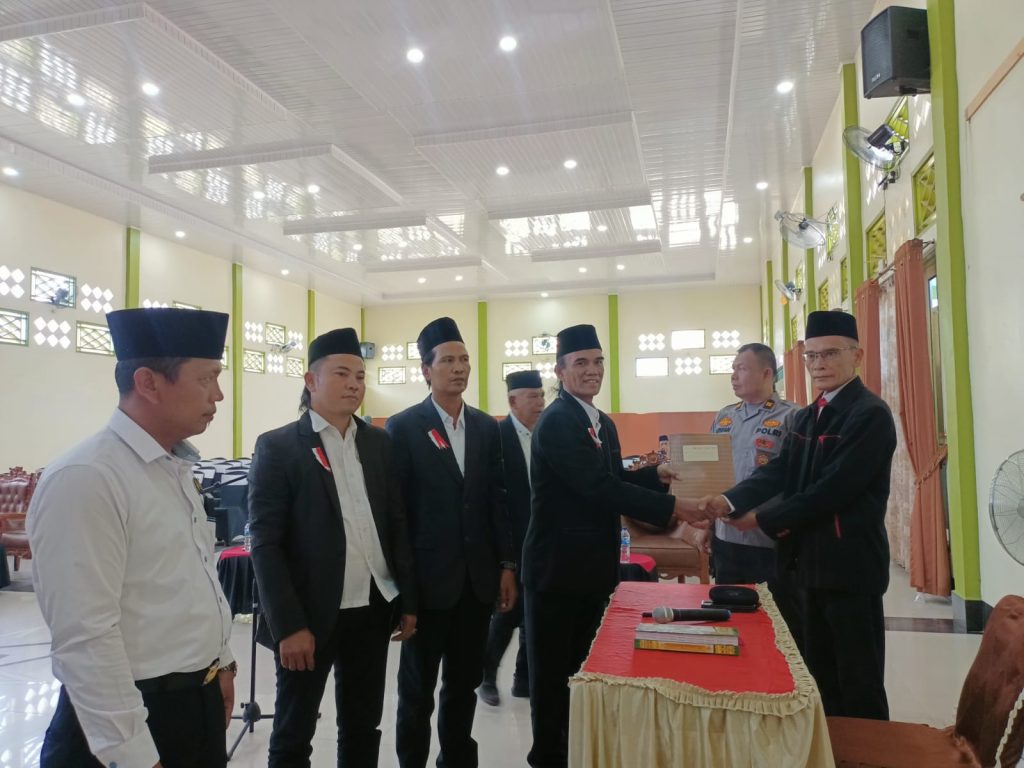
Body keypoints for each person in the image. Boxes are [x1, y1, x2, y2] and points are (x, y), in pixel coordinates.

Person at [28, 307, 236, 768]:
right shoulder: (89, 477)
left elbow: (191, 581)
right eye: (206, 379)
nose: (218, 395)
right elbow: (85, 635)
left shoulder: (172, 468)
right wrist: (133, 756)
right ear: (148, 383)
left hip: (194, 702)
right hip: (125, 721)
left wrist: (221, 662)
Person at [520, 323, 719, 768]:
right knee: (552, 678)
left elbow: (610, 478)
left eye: (598, 362)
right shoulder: (557, 422)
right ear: (560, 371)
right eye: (580, 363)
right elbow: (596, 487)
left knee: (587, 671)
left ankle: (581, 751)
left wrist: (652, 476)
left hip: (593, 570)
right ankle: (548, 757)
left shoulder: (600, 422)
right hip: (557, 572)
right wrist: (675, 506)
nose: (592, 370)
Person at [706, 310, 897, 720]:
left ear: (857, 355)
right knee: (818, 674)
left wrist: (761, 520)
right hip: (807, 564)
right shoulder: (809, 416)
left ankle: (869, 749)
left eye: (830, 354)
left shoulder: (869, 414)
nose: (819, 364)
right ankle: (827, 746)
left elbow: (832, 489)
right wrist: (728, 501)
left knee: (858, 679)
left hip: (849, 567)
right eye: (812, 356)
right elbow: (777, 471)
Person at [248, 328, 417, 768]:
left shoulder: (378, 442)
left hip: (372, 608)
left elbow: (396, 524)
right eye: (342, 374)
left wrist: (407, 600)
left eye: (360, 376)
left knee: (363, 725)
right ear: (311, 381)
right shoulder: (279, 446)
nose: (354, 384)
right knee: (294, 731)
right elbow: (265, 544)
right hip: (309, 615)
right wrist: (288, 625)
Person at [386, 317, 517, 768]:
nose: (458, 368)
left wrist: (506, 565)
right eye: (447, 361)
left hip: (476, 585)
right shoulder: (403, 428)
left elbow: (497, 499)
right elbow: (397, 517)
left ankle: (457, 760)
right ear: (426, 370)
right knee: (416, 692)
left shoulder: (485, 427)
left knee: (462, 686)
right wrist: (405, 593)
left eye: (464, 360)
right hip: (426, 588)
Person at [706, 343, 801, 644]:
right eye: (733, 369)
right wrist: (706, 526)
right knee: (731, 621)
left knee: (778, 625)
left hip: (768, 540)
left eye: (742, 368)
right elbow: (711, 475)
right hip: (726, 540)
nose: (734, 376)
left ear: (767, 373)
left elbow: (795, 481)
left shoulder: (792, 417)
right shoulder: (724, 417)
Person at [477, 369, 546, 706]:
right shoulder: (497, 437)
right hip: (510, 543)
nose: (540, 402)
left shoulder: (546, 435)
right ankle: (486, 677)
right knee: (507, 613)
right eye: (533, 396)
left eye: (542, 395)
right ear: (513, 401)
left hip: (542, 542)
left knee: (536, 615)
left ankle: (523, 679)